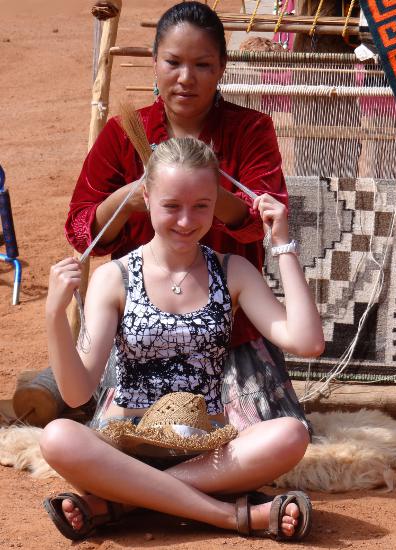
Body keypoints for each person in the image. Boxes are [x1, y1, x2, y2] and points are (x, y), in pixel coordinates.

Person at [42, 137, 324, 542]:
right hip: (124, 448)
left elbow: (307, 341)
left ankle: (124, 502)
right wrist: (54, 315)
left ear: (215, 202)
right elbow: (76, 393)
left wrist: (283, 244)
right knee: (58, 436)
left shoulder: (233, 270)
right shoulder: (114, 277)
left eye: (201, 206)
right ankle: (232, 516)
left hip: (207, 451)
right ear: (146, 196)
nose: (186, 221)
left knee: (291, 434)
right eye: (171, 206)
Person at [64, 1, 307, 432]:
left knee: (265, 435)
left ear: (222, 67)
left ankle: (161, 487)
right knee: (128, 434)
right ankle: (204, 493)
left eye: (203, 65)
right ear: (155, 62)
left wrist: (193, 193)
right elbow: (83, 228)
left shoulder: (250, 130)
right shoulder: (124, 133)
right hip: (142, 336)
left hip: (229, 331)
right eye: (173, 62)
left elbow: (259, 220)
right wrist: (130, 197)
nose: (186, 78)